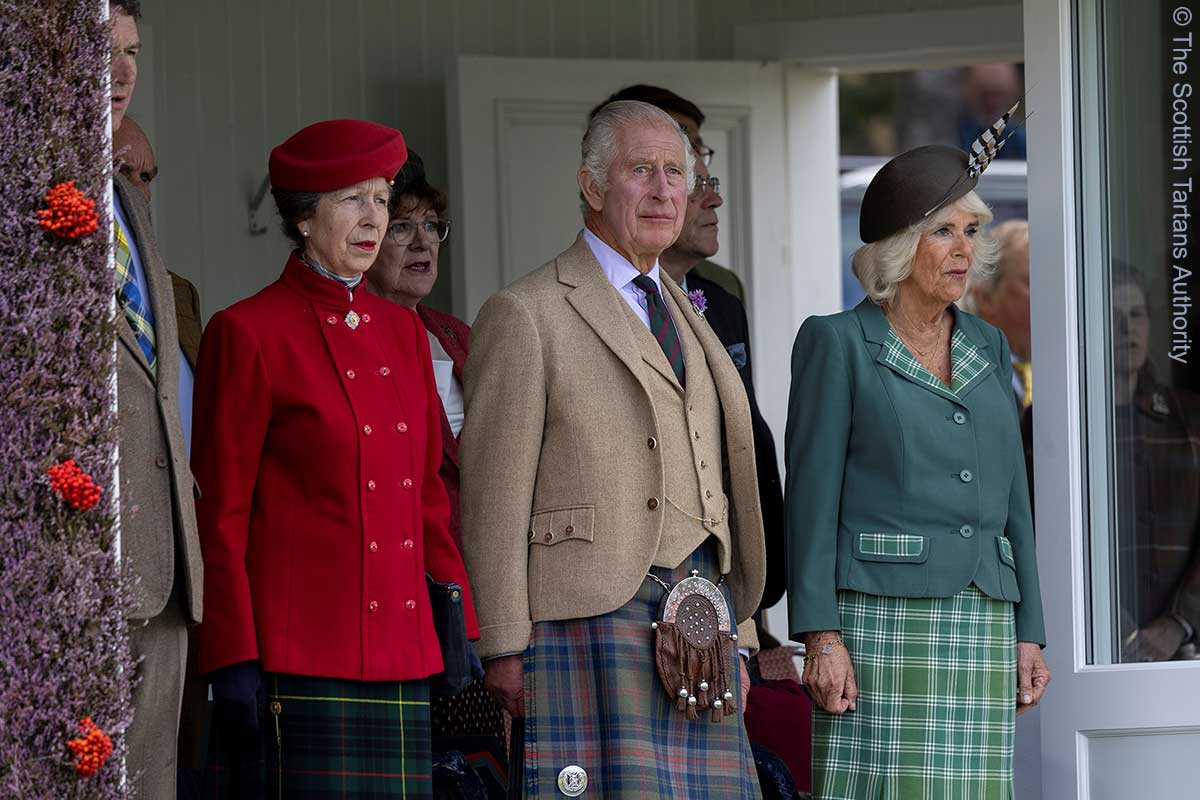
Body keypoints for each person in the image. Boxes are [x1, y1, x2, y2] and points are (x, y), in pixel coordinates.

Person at [460, 100, 765, 797]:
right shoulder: (527, 311)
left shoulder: (692, 309)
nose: (664, 189)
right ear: (592, 187)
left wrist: (741, 632)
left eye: (674, 172)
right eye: (640, 171)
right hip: (586, 617)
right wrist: (505, 642)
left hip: (704, 616)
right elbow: (493, 493)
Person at [192, 119, 478, 798]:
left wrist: (460, 622)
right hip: (298, 662)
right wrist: (230, 653)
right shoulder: (247, 333)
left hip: (406, 656)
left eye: (381, 198)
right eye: (351, 199)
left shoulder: (404, 333)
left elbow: (427, 501)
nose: (372, 218)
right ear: (301, 218)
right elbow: (221, 514)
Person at [785, 143, 1050, 798]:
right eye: (942, 231)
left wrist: (1030, 633)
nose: (964, 249)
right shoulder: (837, 343)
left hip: (984, 620)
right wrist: (820, 635)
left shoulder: (991, 345)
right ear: (901, 246)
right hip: (880, 625)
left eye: (970, 231)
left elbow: (1014, 500)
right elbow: (811, 504)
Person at [364, 150, 509, 797]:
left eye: (431, 228)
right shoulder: (355, 336)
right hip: (394, 585)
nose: (422, 243)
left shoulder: (461, 337)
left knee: (476, 767)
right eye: (402, 227)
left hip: (468, 588)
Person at [109, 4, 203, 798]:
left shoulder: (131, 206)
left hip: (166, 562)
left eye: (132, 50)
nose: (120, 71)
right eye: (99, 52)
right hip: (78, 558)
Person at [1109, 268, 1200, 662]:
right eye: (1112, 316)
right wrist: (1121, 629)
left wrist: (1179, 621)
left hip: (1187, 647)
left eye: (1136, 314)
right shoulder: (1056, 424)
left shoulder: (1190, 417)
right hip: (1095, 645)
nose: (1126, 327)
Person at [963, 219, 1032, 407]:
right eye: (1032, 283)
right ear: (985, 297)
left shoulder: (1064, 372)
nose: (1051, 297)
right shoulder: (966, 373)